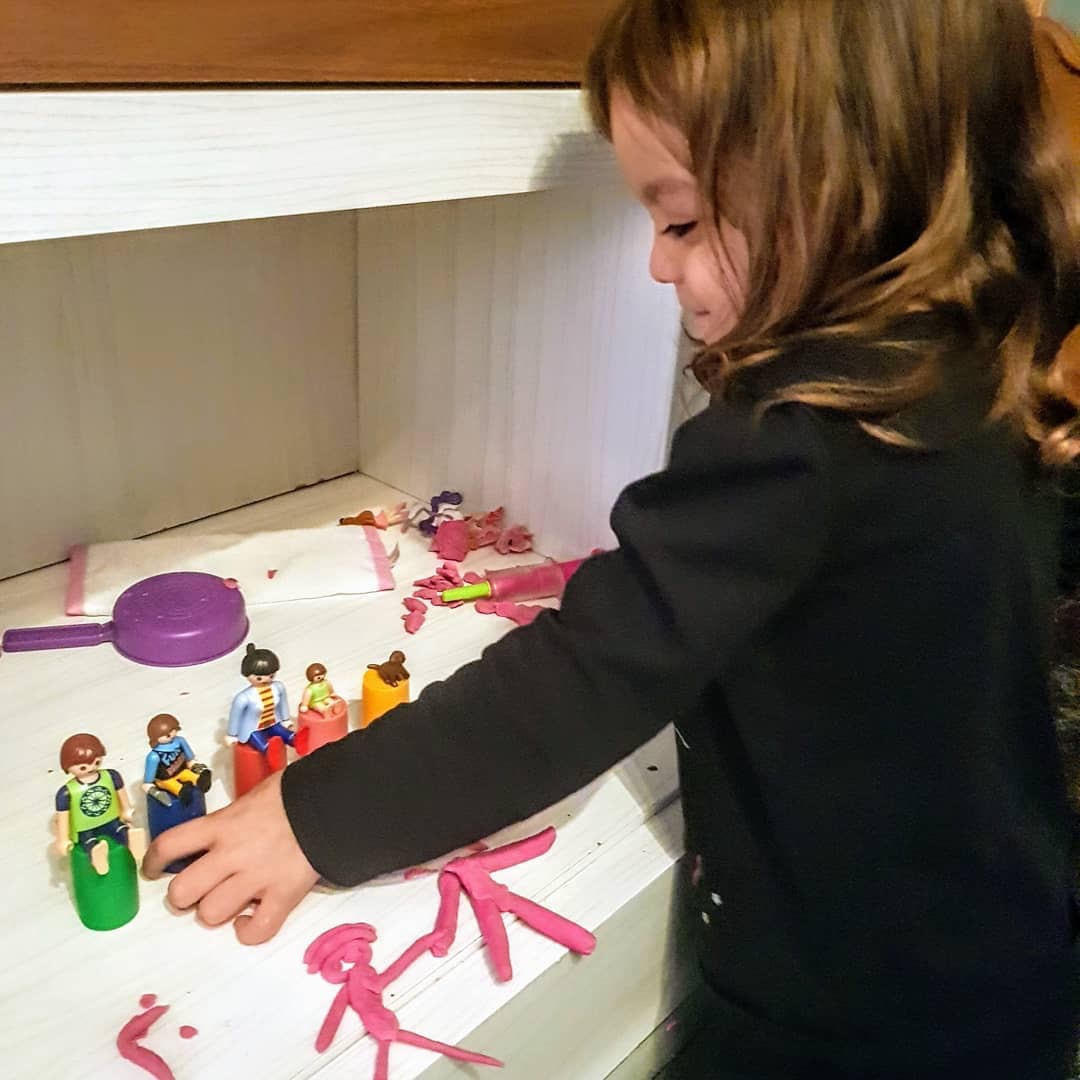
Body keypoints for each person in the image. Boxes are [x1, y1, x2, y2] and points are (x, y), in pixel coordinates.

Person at [145, 1, 1080, 1075]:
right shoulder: (971, 350)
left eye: (680, 222)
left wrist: (314, 817)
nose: (655, 267)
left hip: (860, 1009)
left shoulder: (801, 438)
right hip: (1004, 944)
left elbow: (587, 677)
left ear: (838, 188)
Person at [142, 713, 212, 806]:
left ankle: (201, 782)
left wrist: (195, 766)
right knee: (175, 786)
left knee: (194, 777)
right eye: (167, 734)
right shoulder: (154, 756)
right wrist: (151, 789)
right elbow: (148, 779)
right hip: (165, 779)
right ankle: (182, 792)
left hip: (182, 771)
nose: (171, 734)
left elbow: (190, 757)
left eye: (172, 730)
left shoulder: (180, 741)